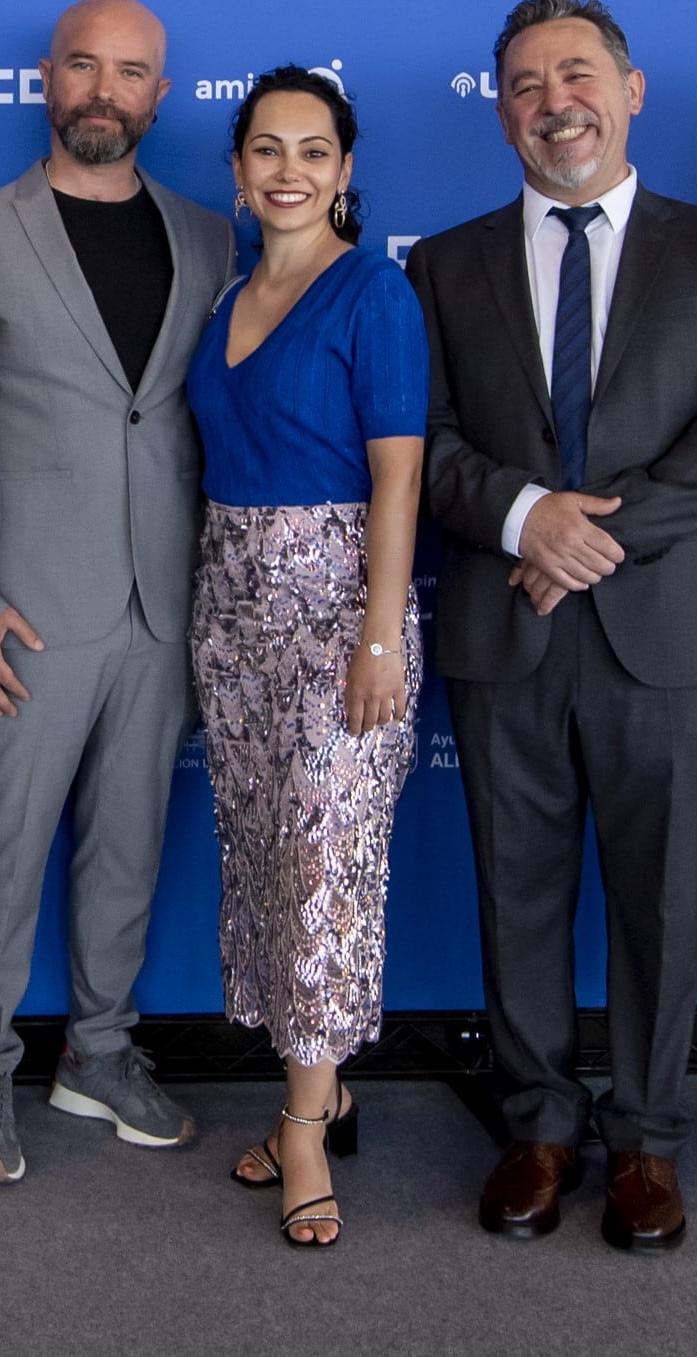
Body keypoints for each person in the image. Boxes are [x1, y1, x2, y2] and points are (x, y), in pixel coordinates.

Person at [409, 0, 697, 1253]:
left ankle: (644, 1141)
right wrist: (528, 518)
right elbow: (429, 446)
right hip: (503, 621)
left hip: (668, 626)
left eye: (575, 74)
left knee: (659, 901)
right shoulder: (444, 263)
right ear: (501, 111)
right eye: (522, 83)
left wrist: (592, 538)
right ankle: (535, 1127)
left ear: (631, 93)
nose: (550, 100)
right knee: (513, 892)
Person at [0, 0, 236, 1184]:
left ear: (158, 94)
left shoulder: (210, 236)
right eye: (81, 66)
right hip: (26, 609)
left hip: (165, 605)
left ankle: (98, 1052)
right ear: (45, 82)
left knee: (128, 846)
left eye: (130, 72)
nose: (103, 89)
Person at [183, 67, 426, 1249]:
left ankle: (300, 1134)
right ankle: (313, 1086)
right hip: (227, 608)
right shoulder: (224, 298)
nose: (288, 170)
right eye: (265, 150)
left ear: (343, 171)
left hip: (338, 613)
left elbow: (397, 478)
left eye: (312, 151)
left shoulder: (371, 294)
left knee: (327, 864)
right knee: (270, 862)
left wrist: (378, 633)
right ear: (236, 172)